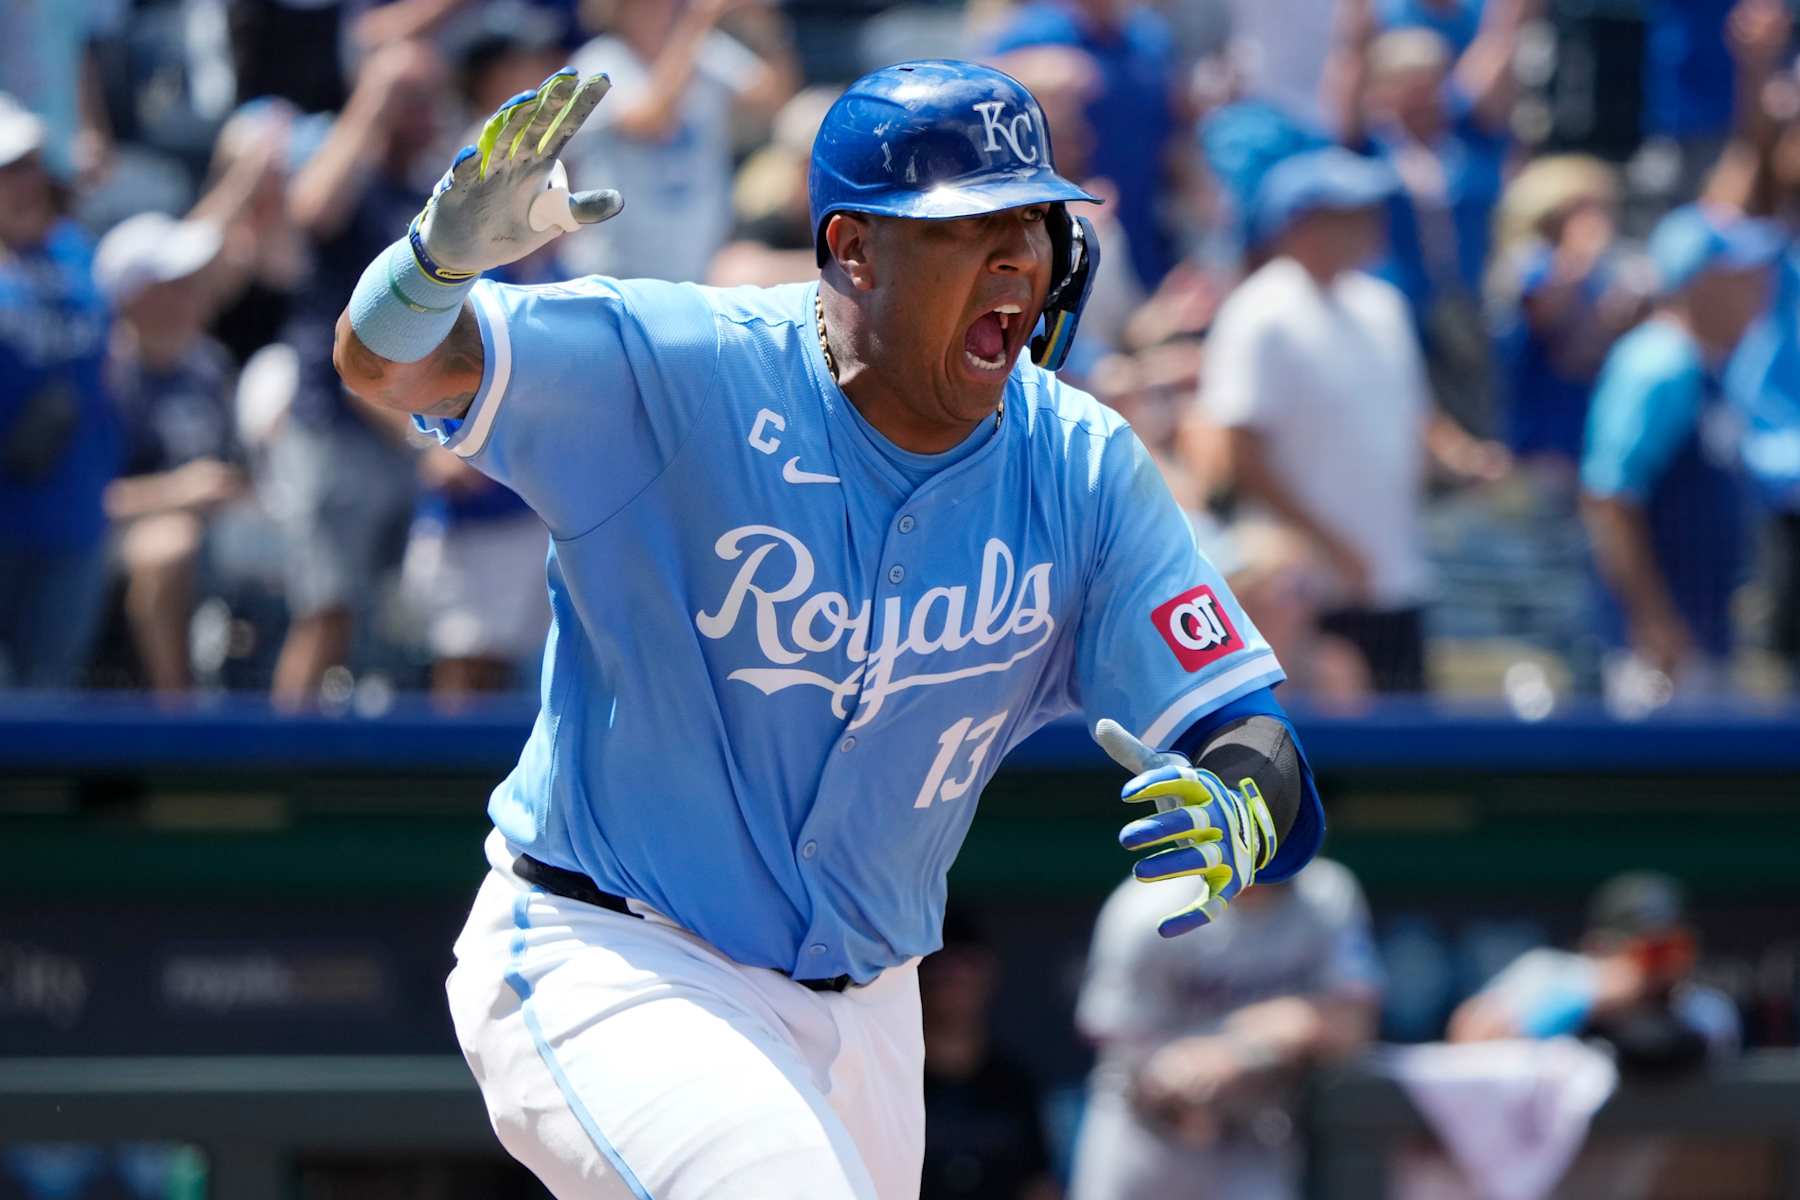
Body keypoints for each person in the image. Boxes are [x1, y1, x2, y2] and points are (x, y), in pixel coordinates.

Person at [333, 59, 1326, 1197]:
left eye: (1034, 222)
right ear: (854, 248)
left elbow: (1252, 737)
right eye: (970, 225)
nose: (1018, 257)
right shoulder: (683, 366)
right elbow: (383, 365)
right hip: (616, 954)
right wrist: (431, 268)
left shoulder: (1081, 467)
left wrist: (1243, 802)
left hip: (871, 1009)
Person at [1197, 145, 1507, 693]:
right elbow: (1236, 453)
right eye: (1346, 214)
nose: (1367, 226)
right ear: (1300, 225)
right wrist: (1329, 546)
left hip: (1397, 579)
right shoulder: (1259, 312)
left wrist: (1463, 457)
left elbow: (1413, 415)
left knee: (1406, 740)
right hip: (1304, 594)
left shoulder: (1382, 304)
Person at [264, 39, 444, 707]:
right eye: (408, 98)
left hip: (405, 427)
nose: (420, 112)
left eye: (428, 97)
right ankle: (280, 757)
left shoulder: (425, 194)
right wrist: (375, 97)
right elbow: (311, 210)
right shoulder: (347, 175)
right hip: (333, 427)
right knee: (326, 612)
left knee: (391, 629)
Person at [1069, 858, 1381, 1200]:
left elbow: (1353, 1024)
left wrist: (1238, 1052)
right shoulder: (1148, 905)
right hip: (1144, 1131)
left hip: (1255, 1132)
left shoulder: (1325, 893)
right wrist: (1188, 1069)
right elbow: (1116, 1035)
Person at [1581, 204, 1780, 714]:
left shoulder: (1709, 363)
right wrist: (1651, 619)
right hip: (1660, 654)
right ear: (1700, 281)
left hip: (1699, 640)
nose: (1762, 288)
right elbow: (1609, 499)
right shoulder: (1658, 365)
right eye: (1742, 276)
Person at [94, 213, 245, 695]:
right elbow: (93, 497)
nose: (191, 295)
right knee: (170, 544)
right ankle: (175, 708)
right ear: (133, 297)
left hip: (215, 524)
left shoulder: (208, 366)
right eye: (174, 284)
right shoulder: (103, 377)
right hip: (116, 533)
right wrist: (178, 492)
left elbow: (238, 468)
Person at [0, 96, 117, 689]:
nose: (22, 183)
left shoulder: (77, 251)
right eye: (7, 171)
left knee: (48, 700)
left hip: (72, 516)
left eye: (28, 165)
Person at [558, 0, 798, 283]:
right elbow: (651, 121)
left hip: (697, 270)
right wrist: (697, 22)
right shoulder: (598, 62)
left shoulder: (705, 49)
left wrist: (764, 23)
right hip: (614, 273)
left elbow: (775, 99)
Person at [1449, 871, 1739, 1069]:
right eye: (1647, 950)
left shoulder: (1703, 1008)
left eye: (1672, 948)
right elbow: (1469, 1039)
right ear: (1599, 946)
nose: (1659, 963)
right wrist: (1587, 998)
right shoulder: (1552, 974)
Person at [986, 0, 1180, 290]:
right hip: (1061, 228)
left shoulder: (1150, 40)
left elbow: (1172, 135)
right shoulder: (1037, 30)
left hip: (1139, 234)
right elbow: (974, 88)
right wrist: (1036, 68)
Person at [918, 908, 1059, 1200]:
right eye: (941, 968)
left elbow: (1039, 1185)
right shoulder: (891, 1081)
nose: (953, 979)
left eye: (966, 965)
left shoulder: (1014, 1085)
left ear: (987, 973)